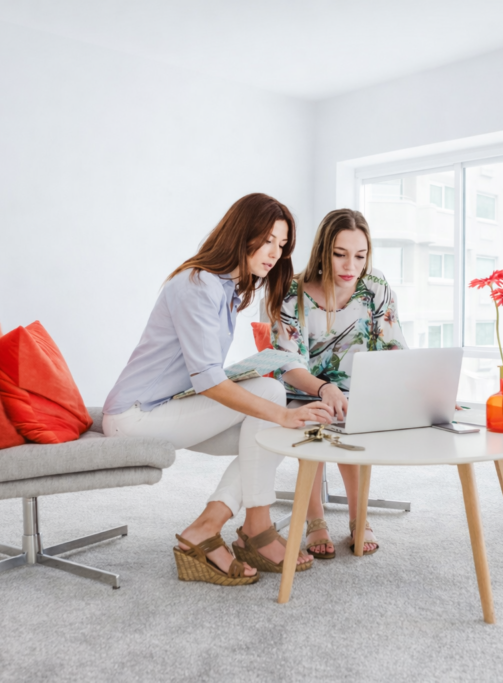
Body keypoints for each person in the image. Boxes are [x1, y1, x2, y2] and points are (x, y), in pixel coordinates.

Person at [102, 194, 334, 586]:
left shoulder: (225, 288)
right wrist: (280, 413)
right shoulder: (197, 285)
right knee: (272, 402)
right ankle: (240, 529)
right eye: (266, 241)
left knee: (264, 431)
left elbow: (203, 374)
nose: (274, 253)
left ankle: (230, 527)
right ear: (241, 234)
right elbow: (207, 380)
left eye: (281, 245)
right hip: (136, 416)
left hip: (167, 408)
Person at [272, 208, 407, 558]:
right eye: (340, 254)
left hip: (359, 392)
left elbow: (392, 346)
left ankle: (357, 515)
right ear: (323, 252)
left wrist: (421, 390)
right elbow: (287, 363)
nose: (351, 266)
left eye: (360, 256)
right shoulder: (293, 294)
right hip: (304, 391)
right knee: (318, 420)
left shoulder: (374, 288)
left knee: (356, 420)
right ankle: (315, 517)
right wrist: (323, 388)